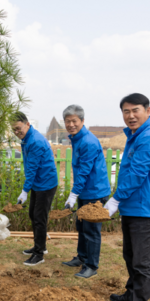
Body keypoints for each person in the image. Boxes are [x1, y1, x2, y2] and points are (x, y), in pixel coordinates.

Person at [103, 93, 150, 301]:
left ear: (147, 111)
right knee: (131, 256)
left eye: (135, 110)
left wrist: (115, 200)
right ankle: (131, 293)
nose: (130, 116)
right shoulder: (135, 135)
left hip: (148, 209)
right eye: (126, 111)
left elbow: (137, 174)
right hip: (134, 207)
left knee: (143, 262)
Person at [61, 105, 111, 279]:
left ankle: (91, 266)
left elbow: (84, 171)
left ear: (82, 121)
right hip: (86, 191)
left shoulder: (88, 141)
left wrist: (73, 194)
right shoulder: (77, 139)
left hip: (95, 192)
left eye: (74, 121)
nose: (71, 124)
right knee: (81, 226)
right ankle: (82, 257)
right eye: (68, 121)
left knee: (91, 230)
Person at [11, 112, 58, 266]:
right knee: (33, 214)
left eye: (19, 128)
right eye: (14, 131)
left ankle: (39, 255)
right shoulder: (26, 139)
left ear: (27, 124)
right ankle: (40, 246)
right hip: (38, 183)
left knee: (39, 218)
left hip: (46, 184)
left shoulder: (35, 141)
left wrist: (25, 191)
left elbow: (31, 169)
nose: (17, 133)